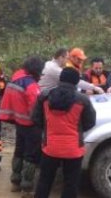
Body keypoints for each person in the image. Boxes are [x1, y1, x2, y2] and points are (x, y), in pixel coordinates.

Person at [32, 67, 96, 198]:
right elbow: (90, 122)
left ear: (60, 79)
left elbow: (35, 119)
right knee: (70, 184)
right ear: (77, 81)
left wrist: (48, 127)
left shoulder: (44, 96)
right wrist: (77, 129)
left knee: (44, 181)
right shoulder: (83, 100)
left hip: (50, 147)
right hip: (73, 149)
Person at [0, 56, 44, 196]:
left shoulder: (16, 77)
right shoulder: (31, 85)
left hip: (18, 121)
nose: (41, 75)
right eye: (40, 72)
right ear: (35, 70)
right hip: (31, 124)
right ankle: (27, 187)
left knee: (19, 151)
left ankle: (15, 182)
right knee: (31, 155)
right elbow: (36, 107)